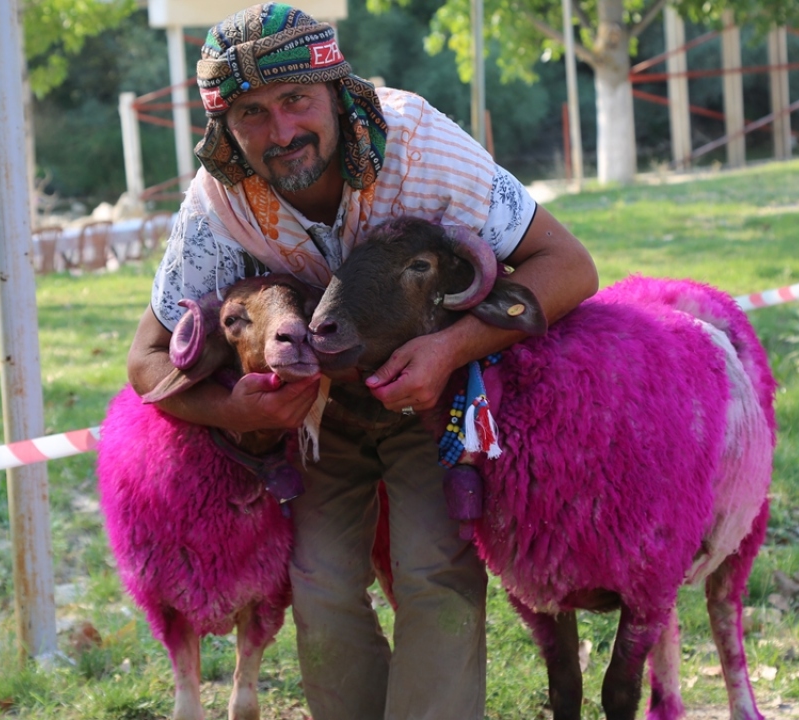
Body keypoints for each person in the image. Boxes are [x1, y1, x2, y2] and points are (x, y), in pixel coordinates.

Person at [126, 4, 599, 718]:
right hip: (320, 412)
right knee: (318, 580)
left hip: (433, 394)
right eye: (251, 113)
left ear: (338, 94)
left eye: (295, 100)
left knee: (431, 569)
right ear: (224, 129)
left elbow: (568, 266)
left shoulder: (421, 148)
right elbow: (145, 358)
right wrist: (234, 409)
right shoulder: (220, 204)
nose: (281, 131)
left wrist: (448, 349)